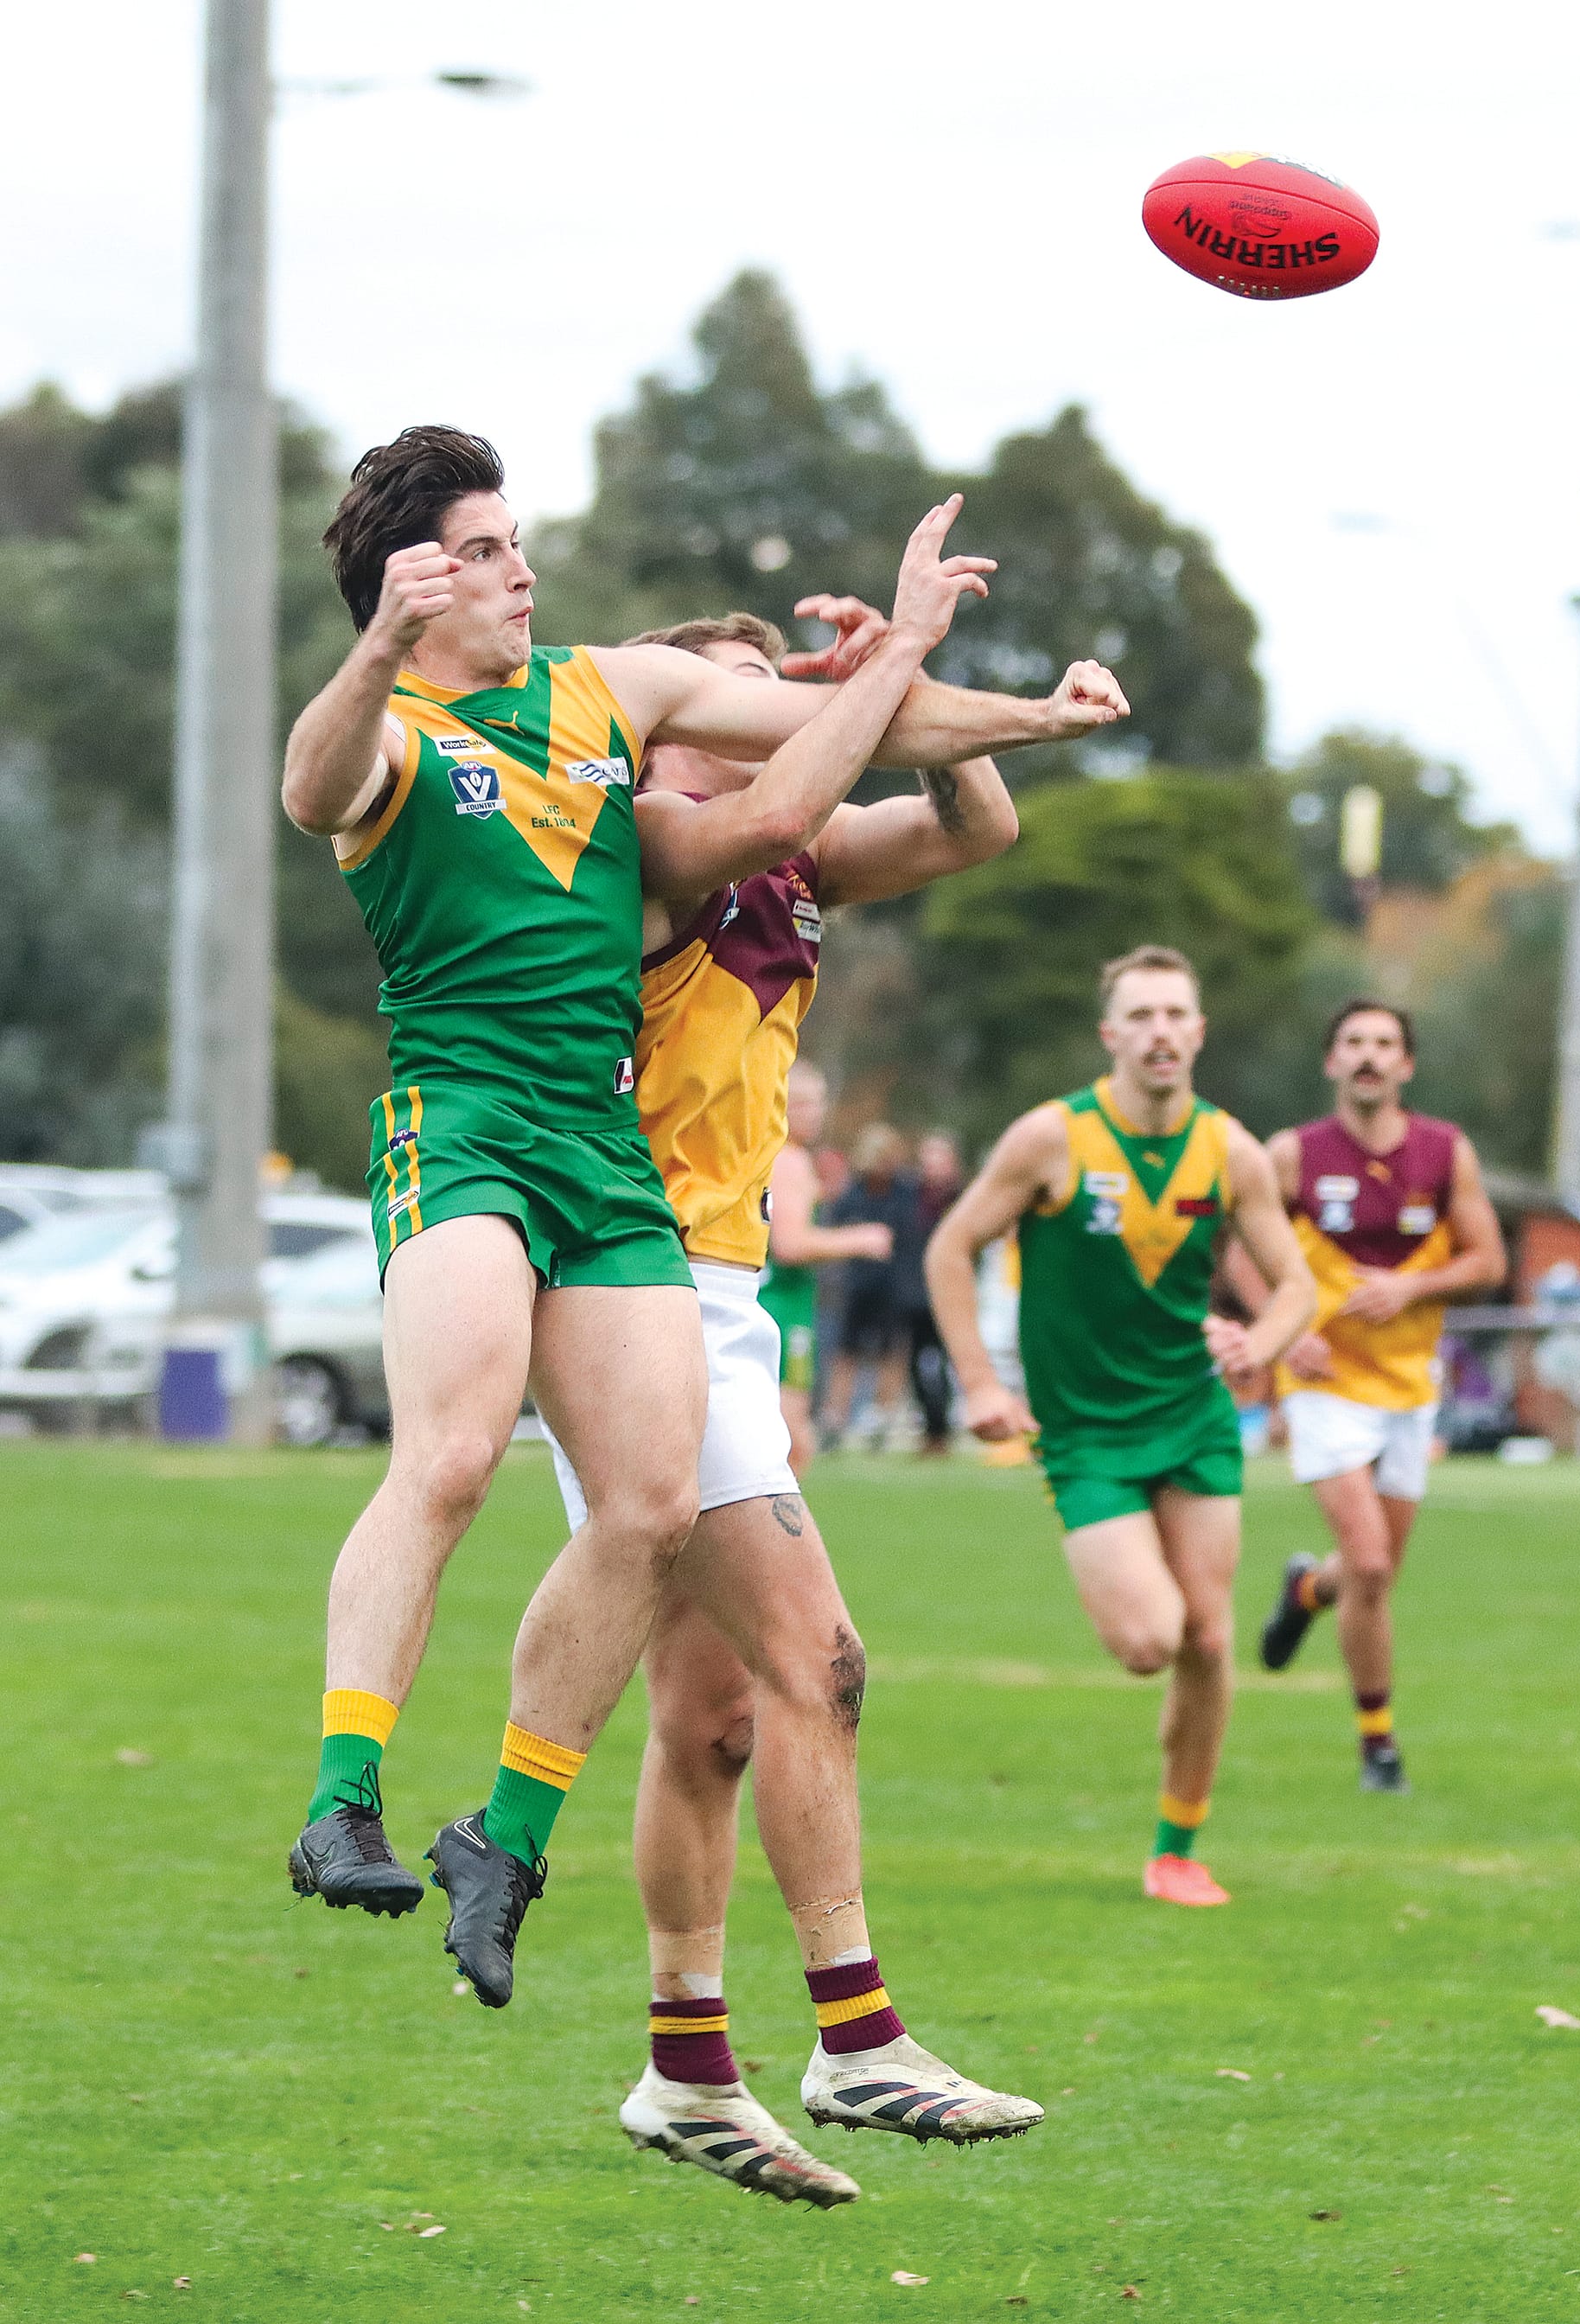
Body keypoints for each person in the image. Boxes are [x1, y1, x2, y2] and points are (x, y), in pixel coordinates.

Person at [277, 425, 1128, 1989]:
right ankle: (343, 1799)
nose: (523, 569)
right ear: (412, 578)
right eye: (486, 547)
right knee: (454, 1452)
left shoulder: (613, 689)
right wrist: (381, 647)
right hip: (458, 1122)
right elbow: (310, 783)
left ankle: (508, 1835)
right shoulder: (392, 733)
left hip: (601, 1155)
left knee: (654, 1507)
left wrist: (1034, 710)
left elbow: (833, 722)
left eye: (521, 539)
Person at [542, 609, 1122, 2201]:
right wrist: (905, 678)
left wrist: (913, 695)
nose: (757, 714)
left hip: (716, 1299)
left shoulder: (792, 860)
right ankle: (856, 2038)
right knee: (825, 1660)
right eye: (728, 692)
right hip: (628, 1292)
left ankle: (682, 2069)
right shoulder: (648, 842)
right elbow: (789, 795)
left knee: (715, 1719)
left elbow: (973, 826)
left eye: (772, 689)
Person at [925, 946, 1316, 1906]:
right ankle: (1156, 1662)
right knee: (1151, 1640)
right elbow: (949, 1245)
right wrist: (978, 1384)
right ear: (1110, 1035)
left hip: (1192, 1418)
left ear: (1198, 1032)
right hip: (1086, 1432)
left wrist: (1258, 1341)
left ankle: (1175, 1848)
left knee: (1210, 1641)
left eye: (1175, 1015)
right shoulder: (1050, 1138)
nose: (1159, 1033)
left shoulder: (1232, 1150)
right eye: (1138, 1016)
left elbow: (1299, 1284)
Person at [1246, 999, 1506, 1791]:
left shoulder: (1443, 1152)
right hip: (1323, 1382)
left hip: (1408, 1385)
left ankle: (1305, 1589)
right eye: (1354, 1043)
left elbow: (1488, 1260)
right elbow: (1234, 1247)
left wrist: (1413, 1287)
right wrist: (1286, 1330)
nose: (1369, 1056)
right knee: (1368, 1558)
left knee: (1372, 1573)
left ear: (1407, 1065)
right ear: (1331, 1062)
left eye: (1384, 1044)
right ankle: (1378, 1743)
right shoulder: (1290, 1154)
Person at [761, 1063, 889, 1473]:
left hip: (787, 1302)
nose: (813, 1113)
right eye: (801, 1103)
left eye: (818, 1103)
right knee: (790, 1440)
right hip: (783, 1305)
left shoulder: (780, 1156)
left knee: (787, 1438)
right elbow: (789, 1245)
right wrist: (861, 1239)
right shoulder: (789, 1160)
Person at [818, 1126, 921, 1446]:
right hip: (858, 1284)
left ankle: (882, 1416)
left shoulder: (906, 1193)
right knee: (846, 1351)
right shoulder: (854, 1193)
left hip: (894, 1287)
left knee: (892, 1351)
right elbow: (836, 1228)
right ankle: (835, 1417)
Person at [902, 1132, 967, 1452]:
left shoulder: (963, 1197)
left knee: (949, 1360)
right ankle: (931, 1427)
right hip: (913, 1293)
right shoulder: (910, 1196)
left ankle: (944, 1426)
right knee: (916, 1361)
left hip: (951, 1293)